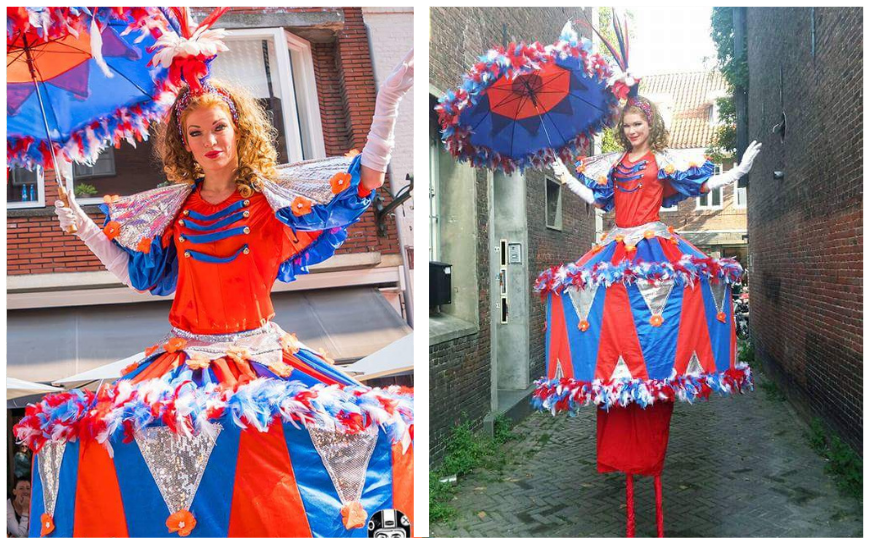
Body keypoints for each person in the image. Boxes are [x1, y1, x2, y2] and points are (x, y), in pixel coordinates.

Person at [15, 46, 414, 538]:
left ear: (239, 129)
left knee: (330, 434)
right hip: (183, 358)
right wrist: (87, 229)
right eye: (195, 133)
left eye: (219, 127)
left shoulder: (272, 202)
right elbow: (135, 274)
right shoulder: (174, 210)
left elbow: (364, 184)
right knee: (101, 439)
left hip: (259, 355)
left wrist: (389, 100)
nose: (210, 141)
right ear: (183, 144)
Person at [535, 94, 760, 537]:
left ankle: (670, 365)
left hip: (655, 241)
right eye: (627, 126)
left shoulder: (664, 161)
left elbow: (703, 186)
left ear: (649, 126)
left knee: (681, 289)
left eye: (638, 124)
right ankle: (609, 369)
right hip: (617, 242)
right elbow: (599, 198)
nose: (632, 131)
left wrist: (739, 172)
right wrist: (563, 174)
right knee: (595, 294)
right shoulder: (613, 165)